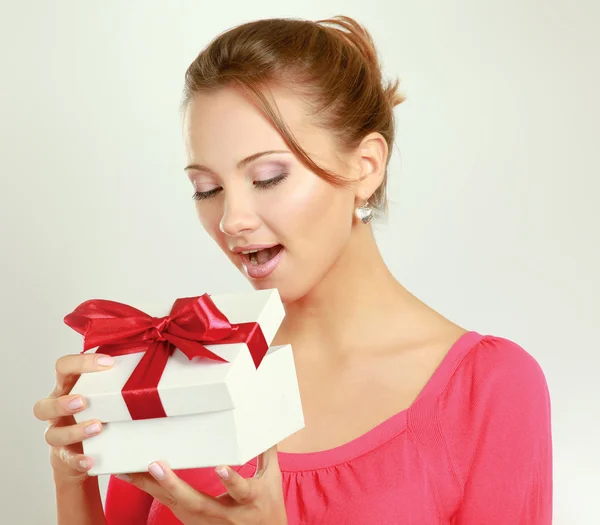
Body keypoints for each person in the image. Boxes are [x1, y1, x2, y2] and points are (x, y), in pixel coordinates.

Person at [33, 15, 553, 525]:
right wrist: (72, 477)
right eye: (206, 189)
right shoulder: (184, 364)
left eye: (268, 177)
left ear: (365, 167)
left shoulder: (488, 390)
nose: (232, 220)